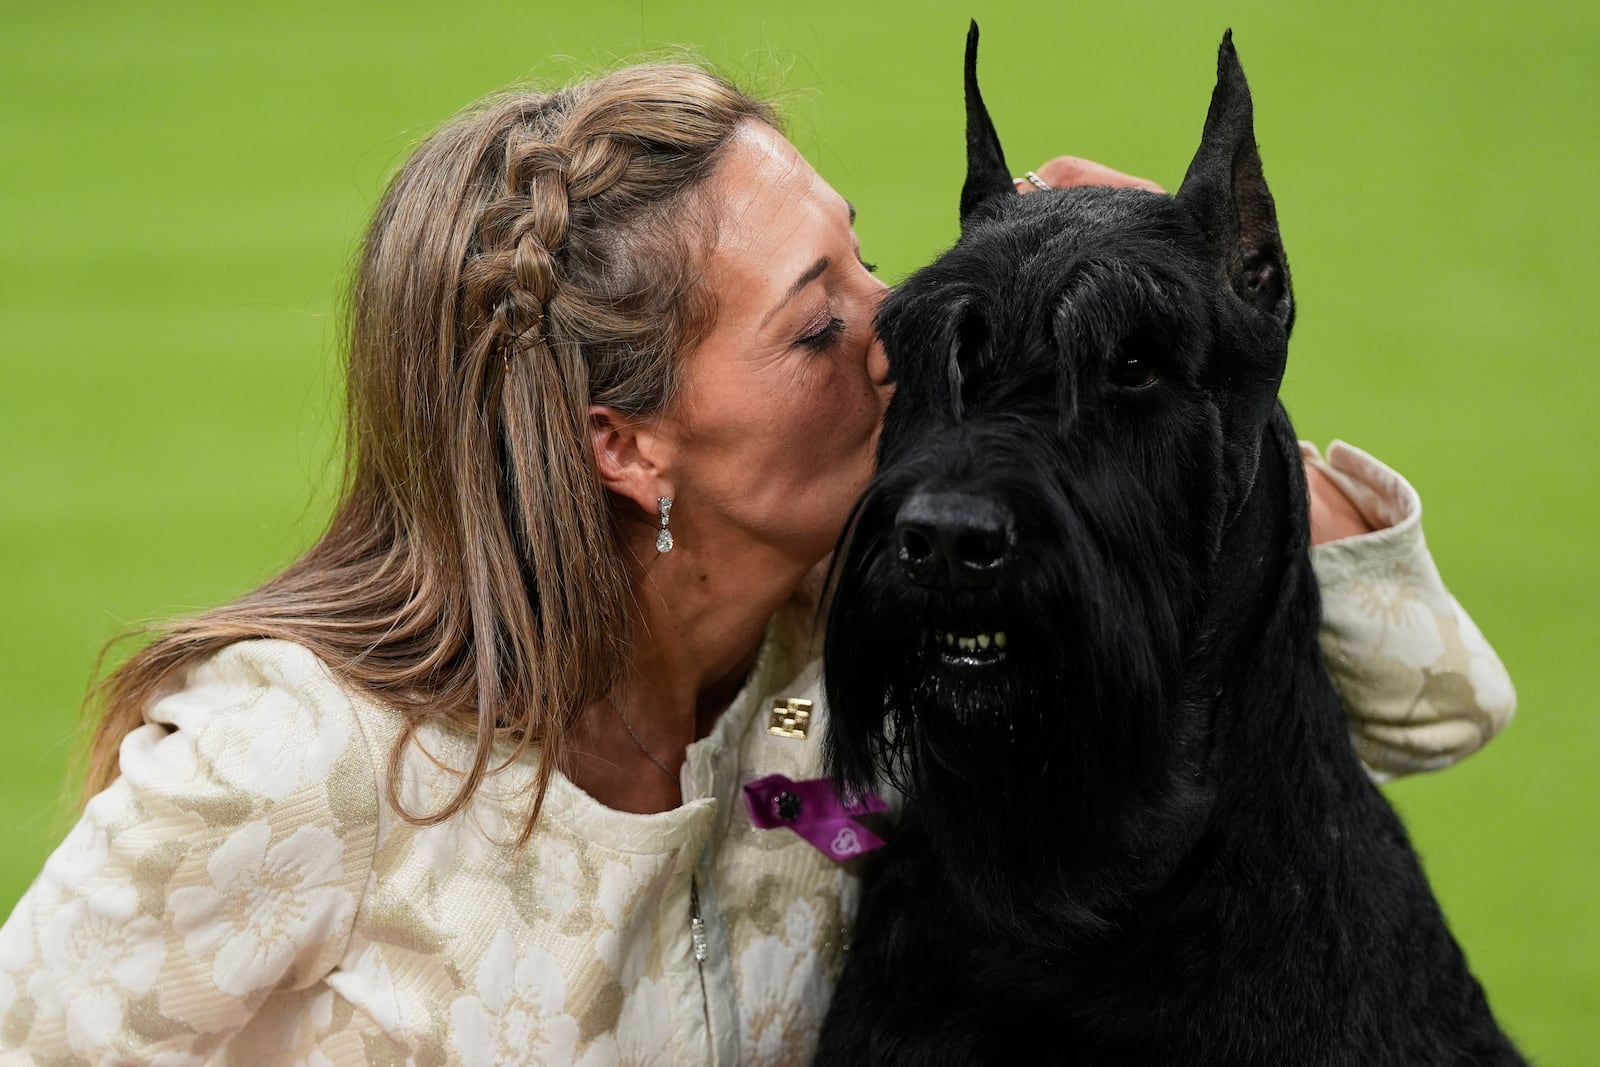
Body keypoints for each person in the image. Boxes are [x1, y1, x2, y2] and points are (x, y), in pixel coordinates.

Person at [0, 63, 1514, 1066]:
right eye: (817, 317)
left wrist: (1200, 341)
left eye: (870, 259)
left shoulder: (872, 628)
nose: (898, 324)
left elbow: (1431, 707)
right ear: (630, 448)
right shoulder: (288, 767)